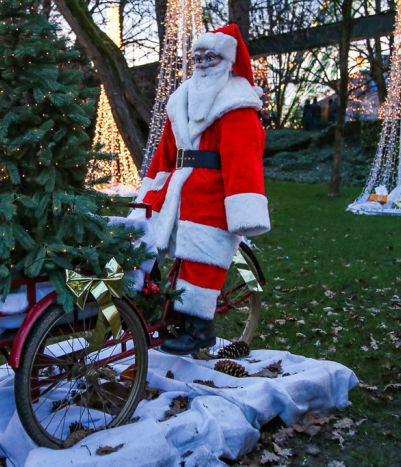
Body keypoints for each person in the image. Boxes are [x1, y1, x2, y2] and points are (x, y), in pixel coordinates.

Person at [130, 24, 270, 354]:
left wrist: (243, 212)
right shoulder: (179, 100)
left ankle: (198, 327)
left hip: (212, 191)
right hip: (175, 184)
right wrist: (147, 192)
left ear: (227, 60)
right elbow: (164, 153)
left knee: (201, 248)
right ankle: (143, 306)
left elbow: (243, 159)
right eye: (198, 58)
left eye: (211, 56)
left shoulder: (237, 105)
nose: (204, 63)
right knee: (138, 236)